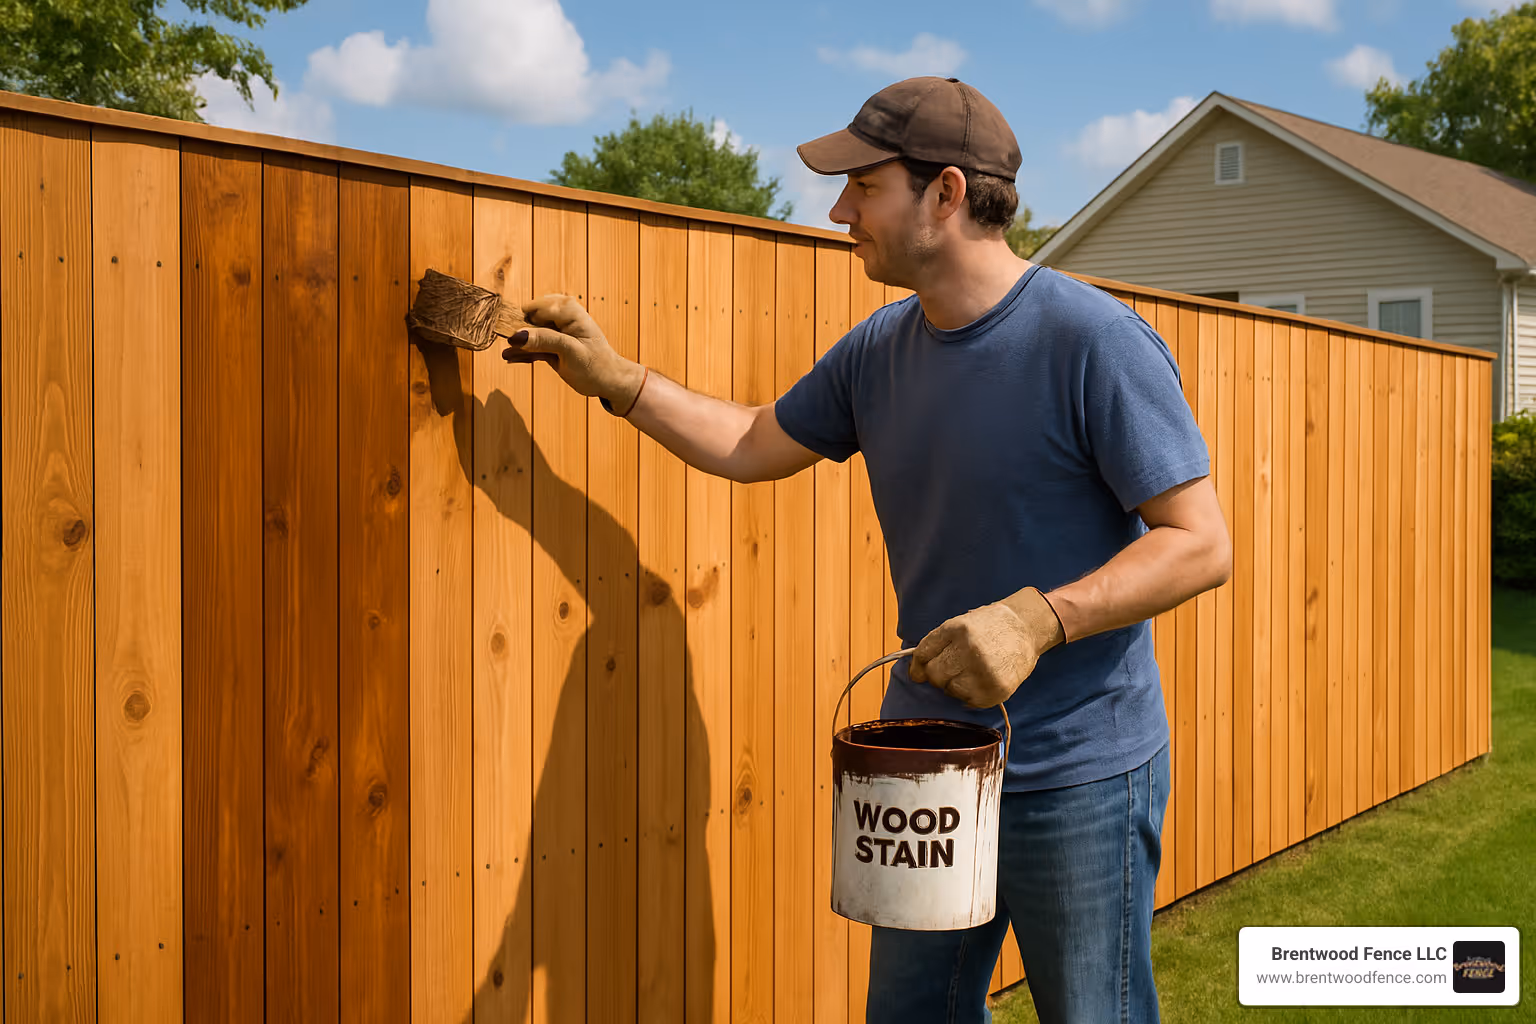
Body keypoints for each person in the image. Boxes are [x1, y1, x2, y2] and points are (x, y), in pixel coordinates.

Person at [502, 76, 1231, 1024]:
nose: (840, 211)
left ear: (946, 193)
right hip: (924, 761)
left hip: (1080, 770)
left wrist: (1037, 620)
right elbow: (750, 441)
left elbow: (1199, 542)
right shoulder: (878, 349)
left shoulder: (1093, 341)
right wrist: (615, 377)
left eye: (864, 187)